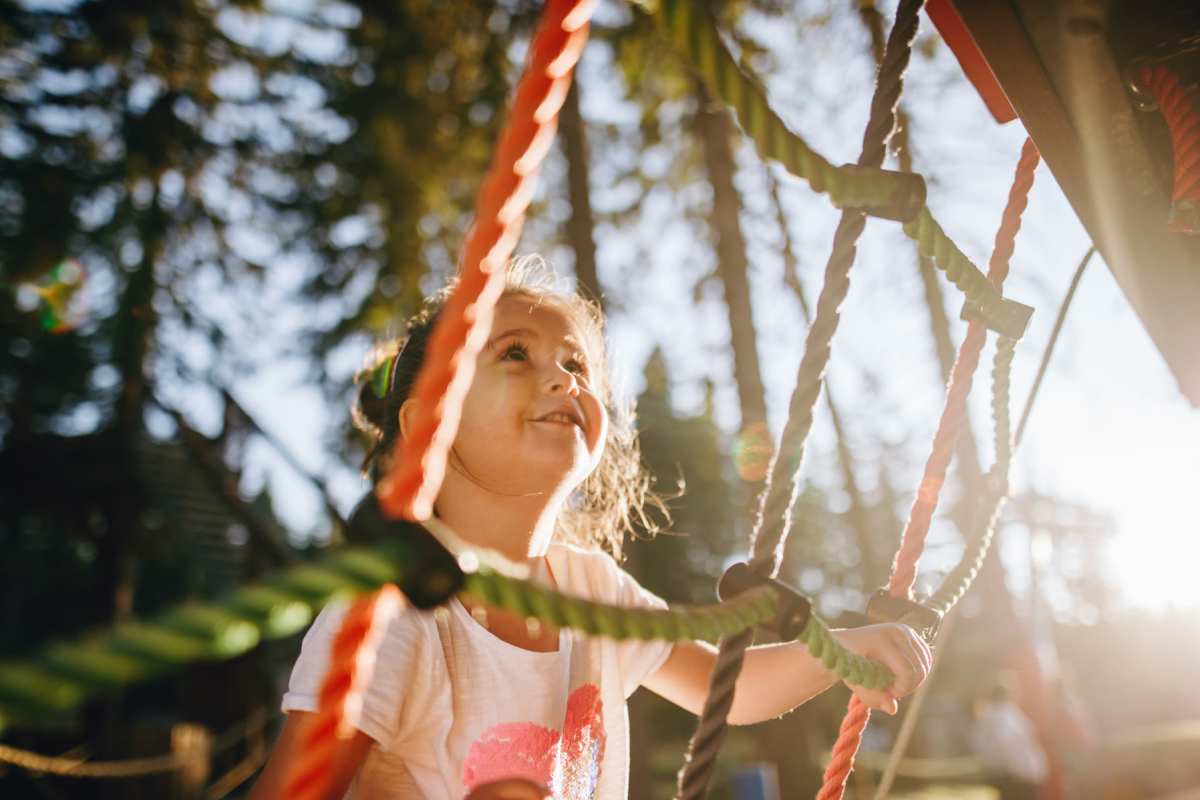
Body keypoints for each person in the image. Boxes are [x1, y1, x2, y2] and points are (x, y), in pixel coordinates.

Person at [249, 257, 932, 799]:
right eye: (516, 355)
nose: (564, 380)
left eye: (576, 364)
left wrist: (836, 650)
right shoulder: (392, 617)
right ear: (430, 423)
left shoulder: (591, 588)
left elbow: (728, 690)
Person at [970, 679, 1048, 800]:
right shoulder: (1005, 715)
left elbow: (979, 744)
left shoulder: (993, 715)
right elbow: (1006, 743)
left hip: (1012, 772)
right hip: (1018, 774)